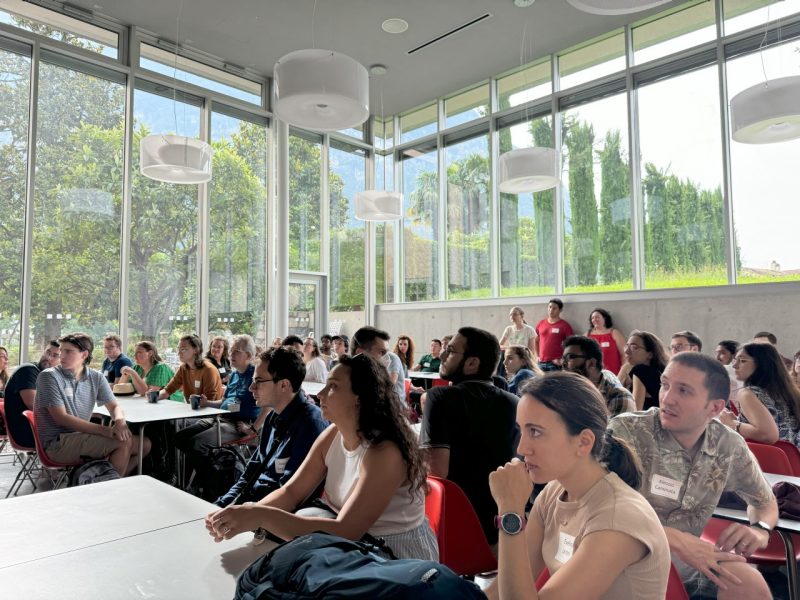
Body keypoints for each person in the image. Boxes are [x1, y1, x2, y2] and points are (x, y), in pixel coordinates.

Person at [205, 353, 439, 561]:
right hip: (353, 549)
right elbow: (292, 492)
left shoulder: (385, 451)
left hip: (394, 559)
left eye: (333, 387)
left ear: (359, 398)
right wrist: (243, 514)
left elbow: (347, 530)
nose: (321, 394)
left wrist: (258, 516)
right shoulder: (333, 434)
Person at [486, 373, 670, 600]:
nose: (522, 448)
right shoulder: (554, 492)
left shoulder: (618, 517)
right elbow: (500, 591)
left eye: (535, 432)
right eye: (521, 430)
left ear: (583, 442)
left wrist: (510, 511)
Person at [608, 352, 777, 599]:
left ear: (716, 407)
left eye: (684, 391)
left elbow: (765, 502)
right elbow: (593, 506)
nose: (667, 398)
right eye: (665, 385)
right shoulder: (627, 432)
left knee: (748, 583)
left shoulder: (727, 445)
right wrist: (674, 539)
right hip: (621, 560)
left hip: (688, 565)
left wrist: (760, 529)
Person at [420, 326, 519, 545]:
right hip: (503, 529)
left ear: (472, 363)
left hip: (455, 531)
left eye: (451, 350)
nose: (443, 355)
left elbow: (435, 472)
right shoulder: (515, 403)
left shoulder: (440, 398)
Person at [214, 346, 329, 507]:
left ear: (284, 385)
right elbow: (250, 473)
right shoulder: (273, 417)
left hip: (268, 517)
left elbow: (290, 496)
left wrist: (242, 513)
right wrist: (221, 505)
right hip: (251, 507)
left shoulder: (310, 426)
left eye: (258, 381)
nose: (251, 388)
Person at [34, 332, 150, 475]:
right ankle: (110, 488)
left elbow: (114, 406)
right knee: (122, 443)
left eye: (68, 351)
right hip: (57, 443)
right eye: (61, 351)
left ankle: (107, 481)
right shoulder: (48, 376)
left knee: (144, 445)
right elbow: (61, 418)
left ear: (84, 354)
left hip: (81, 436)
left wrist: (120, 422)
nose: (61, 355)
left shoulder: (96, 377)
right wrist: (107, 431)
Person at [174, 335, 264, 486]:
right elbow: (224, 402)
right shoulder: (234, 374)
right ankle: (189, 481)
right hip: (222, 418)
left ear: (248, 355)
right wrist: (206, 402)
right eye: (231, 352)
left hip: (240, 424)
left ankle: (210, 484)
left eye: (236, 352)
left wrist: (254, 428)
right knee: (179, 437)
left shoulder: (255, 375)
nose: (230, 355)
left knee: (196, 444)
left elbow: (268, 405)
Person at [718, 342, 800, 446]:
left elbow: (768, 435)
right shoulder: (790, 391)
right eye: (735, 360)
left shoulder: (748, 394)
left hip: (771, 460)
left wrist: (732, 423)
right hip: (794, 459)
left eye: (742, 360)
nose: (734, 365)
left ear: (762, 364)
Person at [3, 340, 61, 449]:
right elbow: (34, 405)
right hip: (28, 434)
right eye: (48, 352)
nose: (49, 357)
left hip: (41, 431)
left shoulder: (49, 376)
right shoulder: (28, 370)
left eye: (55, 356)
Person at [562, 335, 635, 417]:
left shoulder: (619, 398)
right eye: (563, 358)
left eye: (570, 357)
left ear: (591, 363)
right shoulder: (569, 390)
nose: (563, 363)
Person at [352, 326, 406, 409]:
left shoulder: (393, 359)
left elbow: (388, 388)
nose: (387, 358)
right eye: (382, 352)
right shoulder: (348, 373)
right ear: (361, 353)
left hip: (394, 406)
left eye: (387, 352)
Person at [159, 334, 223, 402]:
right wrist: (154, 396)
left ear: (195, 350)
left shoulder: (208, 370)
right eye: (178, 349)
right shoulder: (183, 368)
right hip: (192, 409)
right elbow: (168, 390)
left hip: (208, 411)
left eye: (183, 349)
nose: (179, 353)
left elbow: (208, 401)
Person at [623, 330, 668, 411]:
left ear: (650, 354)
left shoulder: (641, 371)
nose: (626, 351)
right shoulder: (656, 372)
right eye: (626, 346)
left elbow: (635, 412)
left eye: (634, 347)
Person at [534, 298, 573, 372]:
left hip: (555, 364)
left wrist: (563, 360)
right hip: (541, 363)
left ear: (560, 310)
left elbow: (571, 345)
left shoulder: (565, 325)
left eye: (554, 308)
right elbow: (536, 341)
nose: (551, 310)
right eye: (550, 307)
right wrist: (537, 356)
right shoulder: (541, 323)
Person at [586, 308, 626, 375]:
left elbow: (624, 354)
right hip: (593, 376)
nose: (594, 320)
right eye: (592, 318)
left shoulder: (614, 333)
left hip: (614, 375)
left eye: (597, 317)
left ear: (604, 318)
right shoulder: (587, 335)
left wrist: (623, 373)